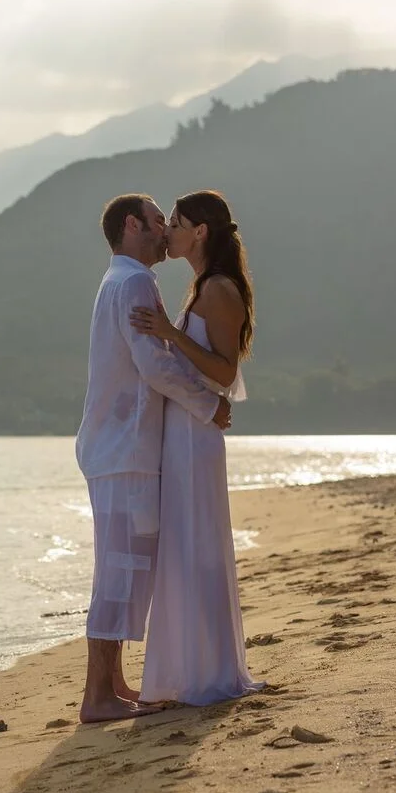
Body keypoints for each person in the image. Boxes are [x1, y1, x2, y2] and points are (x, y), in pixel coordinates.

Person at [75, 193, 232, 724]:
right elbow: (155, 366)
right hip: (125, 448)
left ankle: (113, 685)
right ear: (131, 225)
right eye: (158, 219)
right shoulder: (135, 282)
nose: (165, 229)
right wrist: (209, 404)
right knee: (118, 571)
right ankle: (98, 695)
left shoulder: (119, 280)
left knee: (123, 567)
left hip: (118, 446)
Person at [130, 189, 264, 705]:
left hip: (196, 435)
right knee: (183, 548)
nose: (168, 231)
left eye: (176, 222)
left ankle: (207, 672)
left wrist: (170, 333)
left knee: (197, 547)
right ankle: (188, 669)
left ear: (200, 232)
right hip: (183, 431)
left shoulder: (220, 289)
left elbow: (225, 373)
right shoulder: (201, 287)